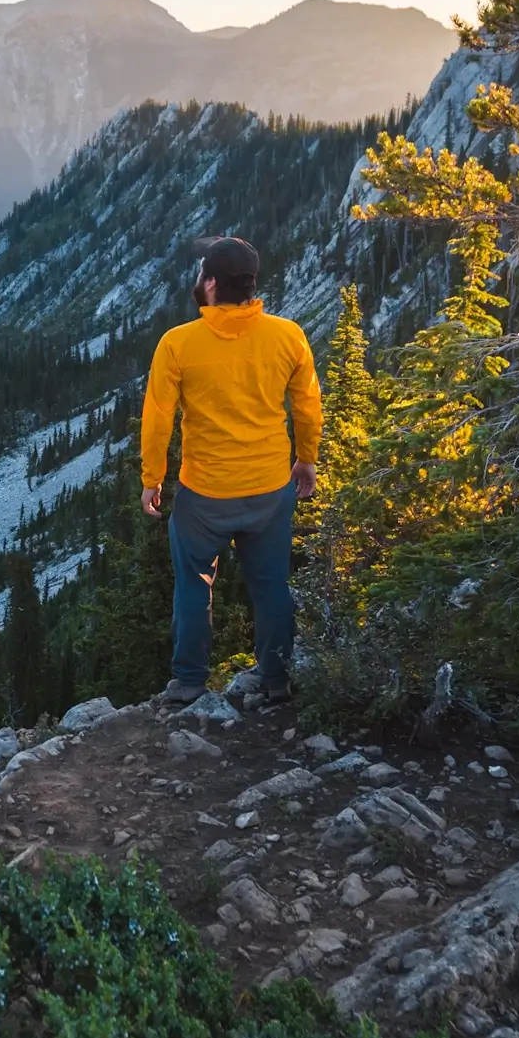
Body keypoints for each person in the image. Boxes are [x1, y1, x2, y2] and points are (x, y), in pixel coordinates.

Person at [139, 235, 320, 705]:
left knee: (194, 583)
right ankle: (277, 679)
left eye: (201, 274)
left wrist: (152, 479)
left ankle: (189, 681)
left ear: (212, 283)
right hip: (269, 488)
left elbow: (158, 416)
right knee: (271, 586)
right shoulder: (288, 335)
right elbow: (306, 405)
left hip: (205, 494)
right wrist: (306, 459)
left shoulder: (178, 344)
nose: (198, 281)